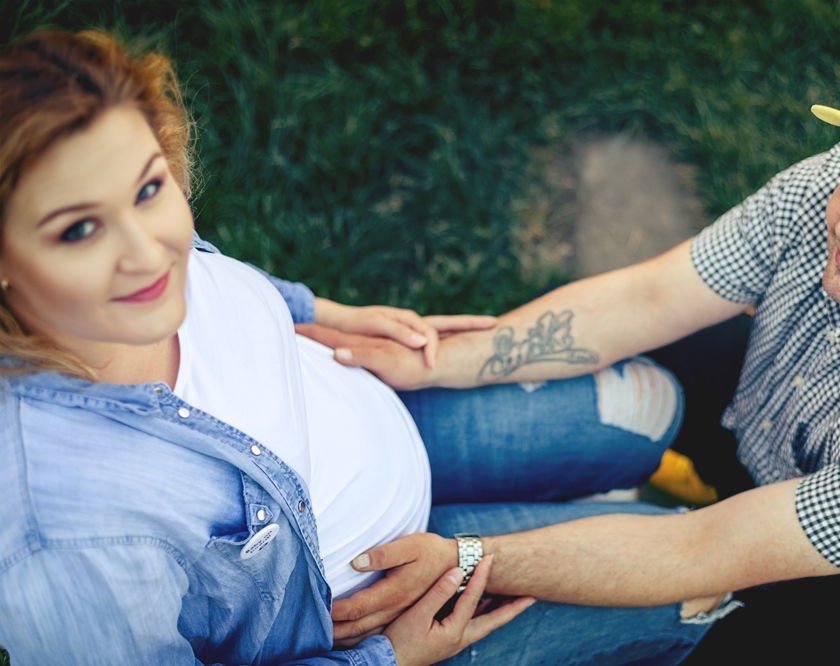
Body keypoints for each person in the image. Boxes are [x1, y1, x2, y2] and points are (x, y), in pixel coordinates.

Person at [0, 30, 729, 665]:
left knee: (647, 408)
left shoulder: (136, 269)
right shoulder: (59, 532)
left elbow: (209, 268)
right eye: (79, 230)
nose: (150, 253)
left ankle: (585, 502)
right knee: (695, 590)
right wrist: (390, 658)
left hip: (390, 412)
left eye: (148, 189)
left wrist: (325, 311)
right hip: (387, 615)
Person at [315, 61, 840, 664]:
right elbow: (651, 296)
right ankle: (627, 493)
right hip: (770, 400)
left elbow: (699, 550)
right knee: (647, 346)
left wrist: (464, 559)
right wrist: (439, 361)